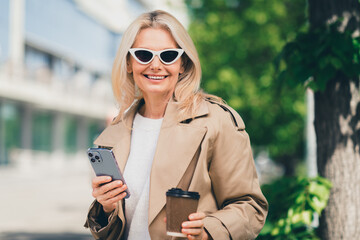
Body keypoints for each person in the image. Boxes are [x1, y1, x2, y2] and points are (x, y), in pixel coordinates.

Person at [84, 10, 268, 240]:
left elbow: (250, 207)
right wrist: (107, 208)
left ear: (183, 64)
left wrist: (207, 232)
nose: (155, 65)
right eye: (143, 54)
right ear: (129, 63)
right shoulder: (117, 129)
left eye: (168, 55)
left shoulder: (215, 122)